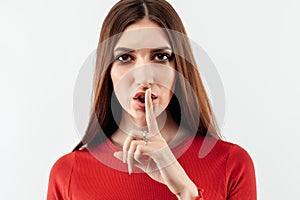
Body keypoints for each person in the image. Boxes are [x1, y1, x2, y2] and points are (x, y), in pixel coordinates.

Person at [47, 0, 257, 199]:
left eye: (160, 57)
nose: (144, 76)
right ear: (107, 71)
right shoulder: (69, 174)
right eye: (124, 58)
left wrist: (185, 190)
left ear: (178, 69)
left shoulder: (231, 164)